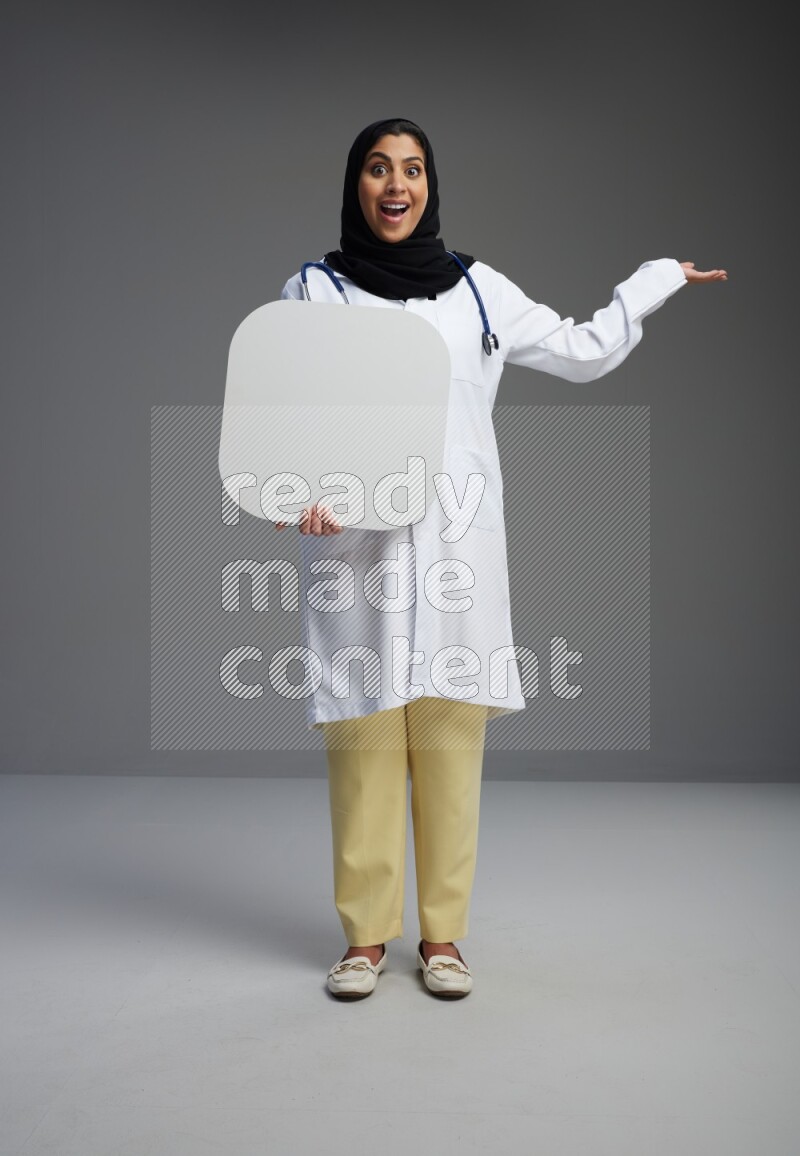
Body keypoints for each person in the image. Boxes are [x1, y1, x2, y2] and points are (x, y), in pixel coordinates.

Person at [274, 117, 727, 1000]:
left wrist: (655, 282)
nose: (395, 184)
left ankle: (442, 940)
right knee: (364, 741)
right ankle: (366, 940)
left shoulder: (476, 293)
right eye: (377, 168)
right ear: (355, 185)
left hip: (454, 547)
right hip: (356, 554)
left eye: (411, 169)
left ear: (431, 185)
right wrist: (301, 493)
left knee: (448, 745)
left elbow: (580, 348)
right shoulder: (312, 290)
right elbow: (284, 412)